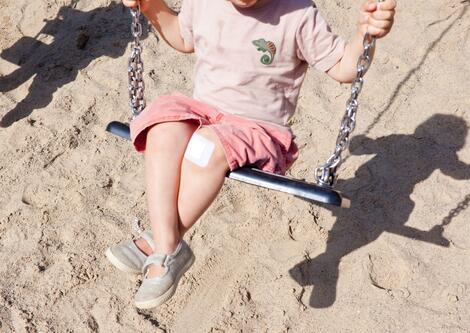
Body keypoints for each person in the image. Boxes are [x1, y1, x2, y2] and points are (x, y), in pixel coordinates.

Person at [105, 0, 396, 309]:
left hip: (257, 129)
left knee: (204, 146)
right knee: (161, 127)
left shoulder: (297, 14)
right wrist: (150, 5)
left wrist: (366, 35)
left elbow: (343, 67)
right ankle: (165, 244)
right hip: (202, 110)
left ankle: (159, 248)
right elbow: (183, 36)